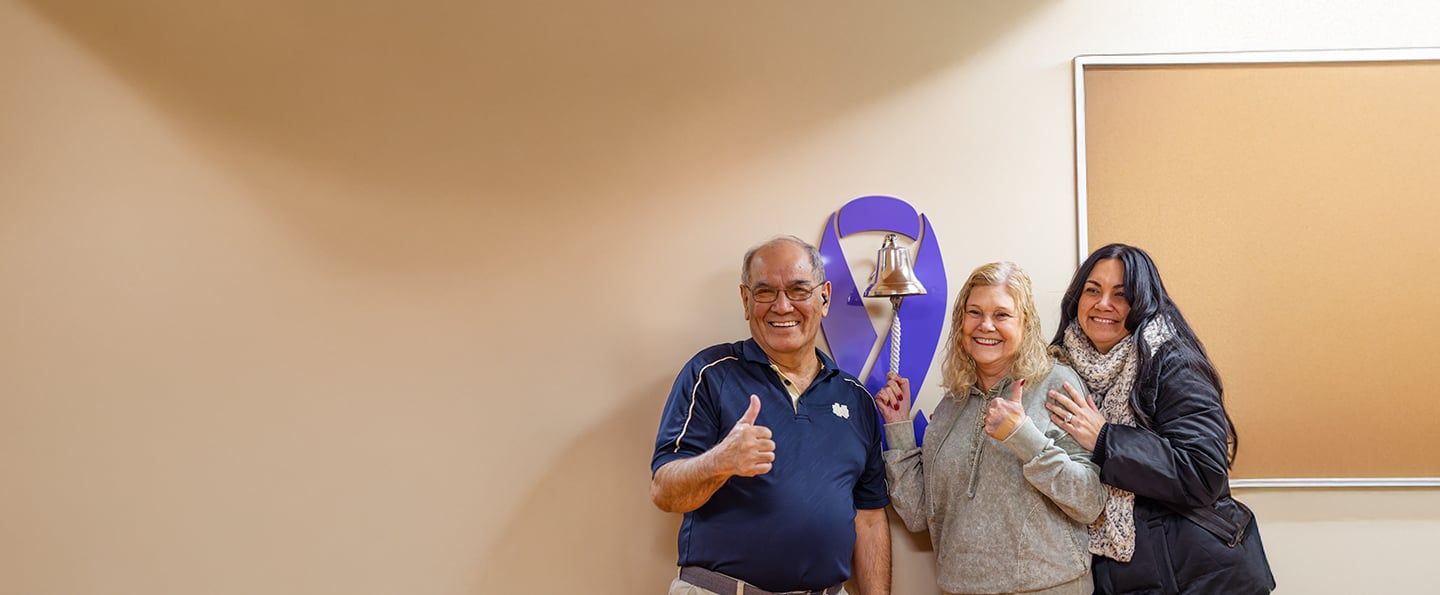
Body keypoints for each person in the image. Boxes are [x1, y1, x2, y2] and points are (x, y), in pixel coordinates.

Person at [650, 236, 891, 595]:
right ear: (746, 301)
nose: (782, 306)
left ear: (824, 297)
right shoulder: (710, 374)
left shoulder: (855, 398)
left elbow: (869, 519)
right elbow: (664, 492)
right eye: (765, 292)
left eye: (798, 290)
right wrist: (721, 461)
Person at [1044, 243, 1276, 594]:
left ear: (1143, 301)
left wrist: (1106, 439)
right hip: (1122, 576)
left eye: (1122, 294)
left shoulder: (1173, 362)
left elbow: (1204, 472)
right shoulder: (1062, 367)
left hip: (1201, 575)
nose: (1103, 304)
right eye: (1092, 290)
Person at [875, 262, 1106, 595]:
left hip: (1049, 588)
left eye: (1001, 315)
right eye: (975, 313)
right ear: (961, 321)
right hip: (959, 588)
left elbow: (1089, 501)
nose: (985, 325)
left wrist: (1024, 437)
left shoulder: (1057, 386)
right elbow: (918, 515)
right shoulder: (952, 403)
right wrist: (898, 427)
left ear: (1025, 323)